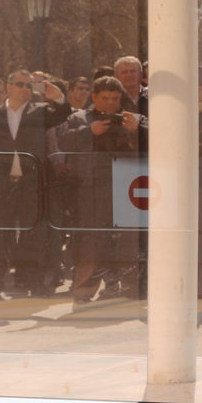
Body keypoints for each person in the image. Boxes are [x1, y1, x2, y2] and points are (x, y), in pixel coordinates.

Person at [57, 76, 148, 304]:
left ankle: (129, 289)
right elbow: (62, 141)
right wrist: (88, 131)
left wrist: (137, 130)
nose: (110, 103)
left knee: (127, 241)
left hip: (126, 188)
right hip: (91, 189)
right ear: (94, 97)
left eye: (114, 99)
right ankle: (83, 291)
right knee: (90, 241)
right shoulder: (78, 118)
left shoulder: (135, 118)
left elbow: (162, 142)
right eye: (105, 98)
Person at [0, 69, 73, 299]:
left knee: (32, 233)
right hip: (1, 183)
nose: (25, 89)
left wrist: (57, 97)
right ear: (9, 87)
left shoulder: (40, 112)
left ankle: (31, 282)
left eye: (29, 85)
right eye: (20, 84)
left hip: (30, 184)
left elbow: (64, 114)